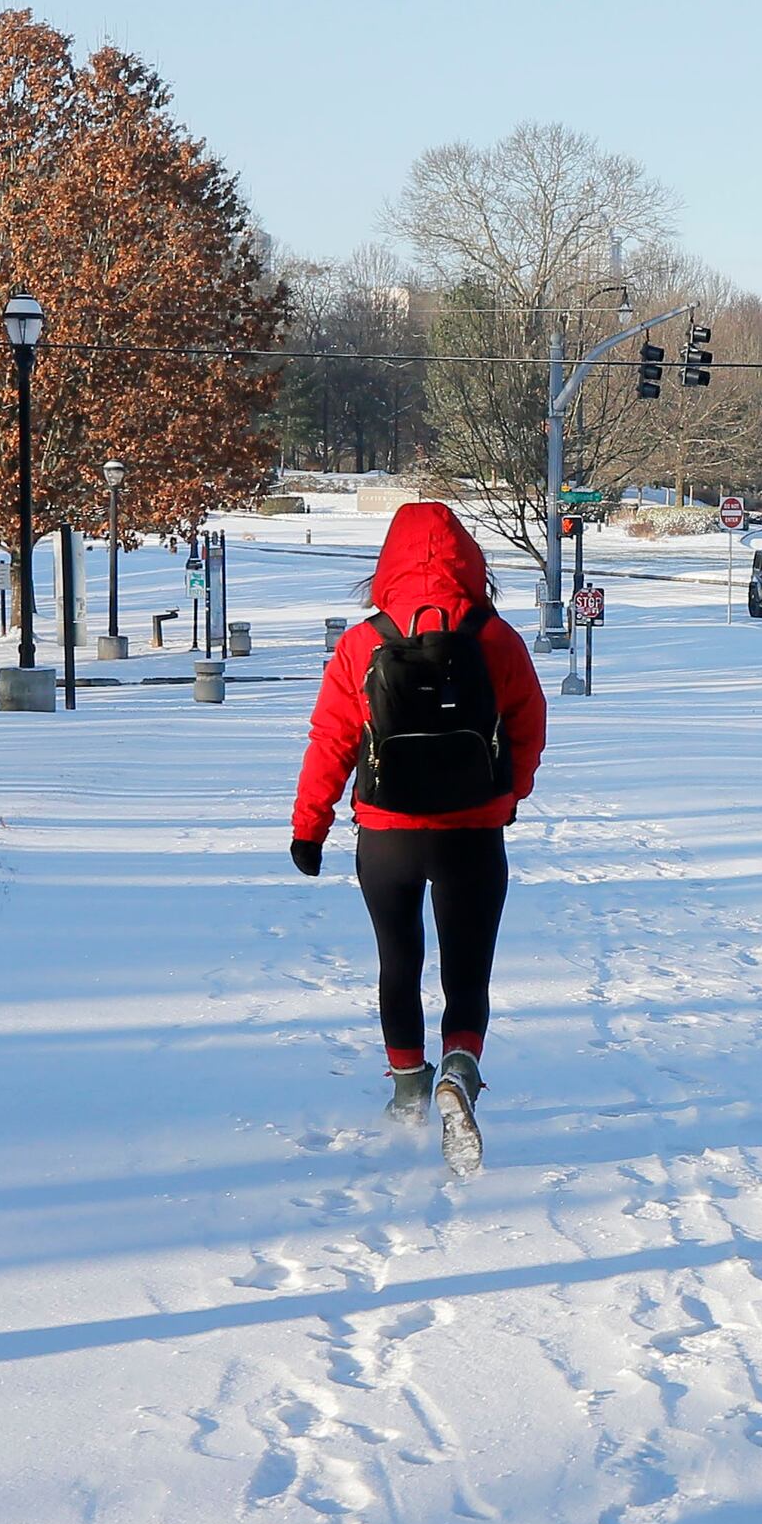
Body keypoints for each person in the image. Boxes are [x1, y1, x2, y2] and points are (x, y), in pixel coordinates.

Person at [291, 502, 546, 1172]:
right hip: (473, 831)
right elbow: (529, 723)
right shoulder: (496, 638)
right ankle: (459, 1071)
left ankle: (407, 1090)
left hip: (387, 834)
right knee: (467, 972)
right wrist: (508, 793)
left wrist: (309, 826)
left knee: (398, 961)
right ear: (469, 561)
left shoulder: (361, 642)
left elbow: (332, 740)